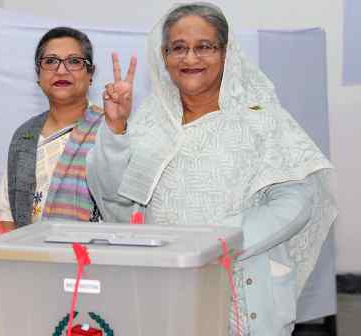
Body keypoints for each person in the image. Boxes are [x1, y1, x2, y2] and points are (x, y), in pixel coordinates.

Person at [86, 2, 337, 335]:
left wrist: (222, 240)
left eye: (204, 46)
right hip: (165, 288)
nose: (190, 59)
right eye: (178, 48)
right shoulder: (149, 123)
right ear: (164, 56)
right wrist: (116, 128)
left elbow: (297, 201)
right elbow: (114, 201)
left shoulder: (259, 117)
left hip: (241, 289)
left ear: (225, 52)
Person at [0, 27, 103, 231]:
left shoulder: (109, 131)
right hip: (30, 257)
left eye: (74, 61)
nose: (61, 70)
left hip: (91, 257)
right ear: (38, 74)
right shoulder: (24, 136)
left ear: (90, 74)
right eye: (51, 61)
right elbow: (7, 212)